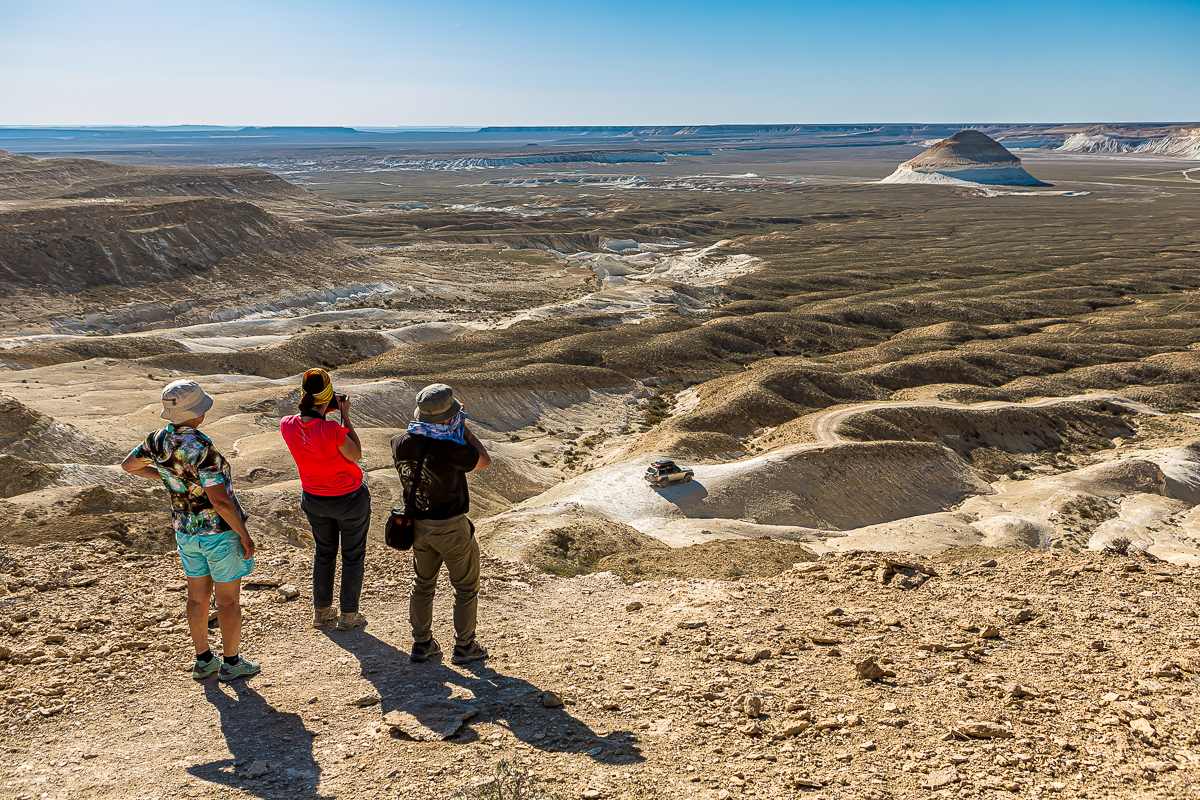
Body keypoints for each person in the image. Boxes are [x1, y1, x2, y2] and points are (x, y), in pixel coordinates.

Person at [120, 379, 260, 682]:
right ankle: (232, 663)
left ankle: (203, 660)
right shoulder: (201, 449)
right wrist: (244, 535)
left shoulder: (156, 440)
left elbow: (128, 465)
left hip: (185, 531)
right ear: (197, 411)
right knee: (227, 601)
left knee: (197, 598)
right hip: (218, 534)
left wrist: (171, 478)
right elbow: (220, 502)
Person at [391, 383, 491, 665]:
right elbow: (484, 460)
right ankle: (465, 647)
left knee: (423, 585)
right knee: (465, 588)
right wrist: (464, 431)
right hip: (450, 527)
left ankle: (422, 645)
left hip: (418, 525)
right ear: (449, 418)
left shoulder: (399, 443)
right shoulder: (450, 449)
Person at [280, 368, 370, 632]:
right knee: (352, 556)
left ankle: (321, 612)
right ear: (328, 396)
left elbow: (309, 427)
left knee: (324, 552)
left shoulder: (286, 424)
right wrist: (345, 416)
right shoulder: (333, 429)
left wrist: (326, 411)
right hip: (349, 499)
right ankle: (348, 615)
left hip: (314, 498)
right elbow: (355, 455)